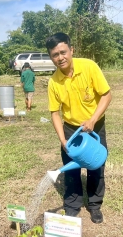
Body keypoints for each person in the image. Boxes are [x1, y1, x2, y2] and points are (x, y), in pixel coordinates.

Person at [46, 32, 112, 223]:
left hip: (94, 126)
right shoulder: (53, 82)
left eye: (63, 52)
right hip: (71, 130)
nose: (60, 58)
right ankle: (73, 205)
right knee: (70, 170)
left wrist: (92, 119)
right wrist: (63, 139)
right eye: (55, 55)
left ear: (71, 49)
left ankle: (94, 204)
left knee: (96, 166)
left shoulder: (89, 67)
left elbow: (107, 95)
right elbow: (54, 113)